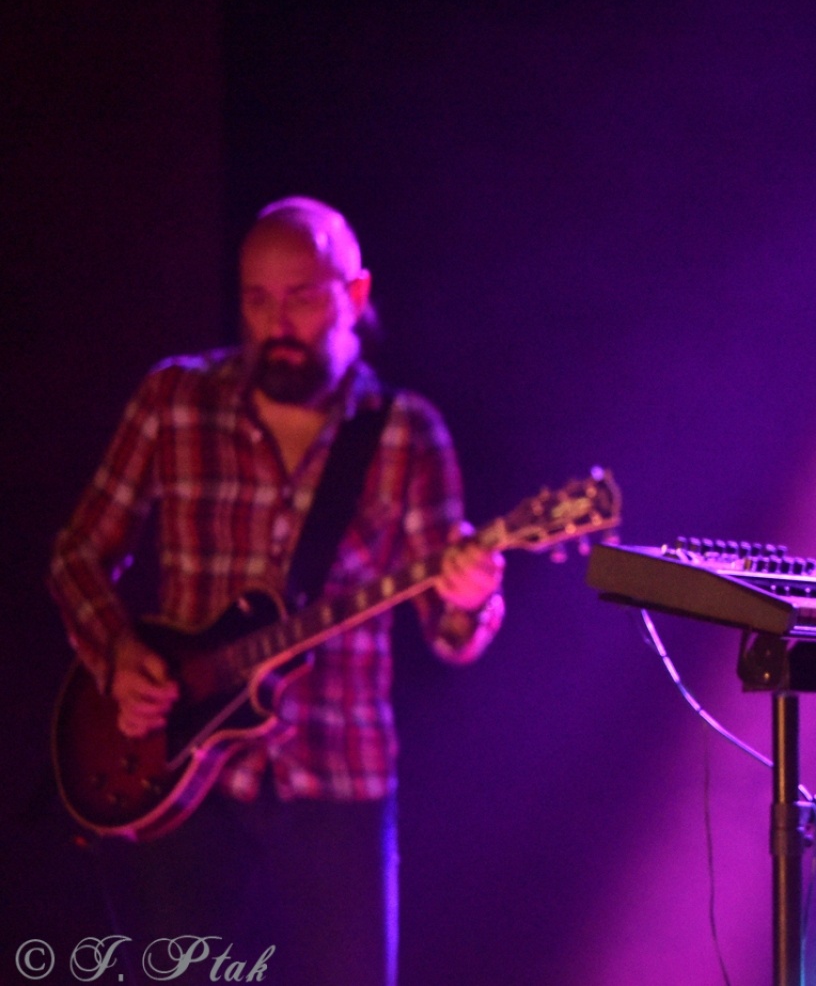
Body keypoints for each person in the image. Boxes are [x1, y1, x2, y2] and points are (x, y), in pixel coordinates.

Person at [49, 196, 505, 986]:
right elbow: (76, 554)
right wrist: (116, 651)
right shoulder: (174, 400)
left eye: (300, 296)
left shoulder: (404, 432)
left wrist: (467, 597)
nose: (275, 322)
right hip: (181, 778)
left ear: (355, 297)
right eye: (257, 299)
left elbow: (448, 634)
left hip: (338, 774)